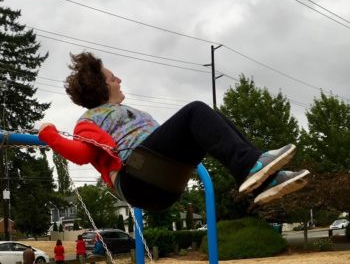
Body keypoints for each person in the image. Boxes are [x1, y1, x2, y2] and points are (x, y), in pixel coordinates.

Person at [39, 52, 309, 211]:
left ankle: (263, 179)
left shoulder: (136, 113)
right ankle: (250, 166)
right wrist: (49, 135)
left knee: (211, 120)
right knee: (196, 111)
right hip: (137, 179)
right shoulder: (90, 119)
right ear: (101, 86)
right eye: (113, 78)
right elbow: (82, 153)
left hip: (164, 184)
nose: (119, 80)